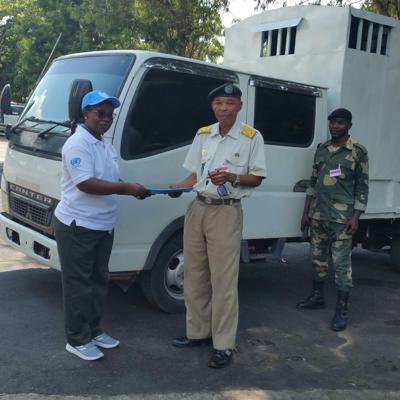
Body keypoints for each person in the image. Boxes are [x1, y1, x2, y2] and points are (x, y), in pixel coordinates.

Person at [169, 83, 266, 368]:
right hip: (198, 207)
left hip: (226, 211)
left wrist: (233, 177)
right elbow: (194, 175)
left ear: (239, 106)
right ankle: (197, 332)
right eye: (219, 103)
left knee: (223, 281)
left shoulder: (251, 137)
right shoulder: (203, 134)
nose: (223, 108)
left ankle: (223, 344)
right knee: (194, 274)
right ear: (213, 107)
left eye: (229, 103)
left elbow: (257, 177)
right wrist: (176, 187)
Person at [53, 90, 149, 361]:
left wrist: (132, 188)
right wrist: (126, 188)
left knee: (98, 281)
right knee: (78, 285)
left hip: (102, 224)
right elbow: (85, 183)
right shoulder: (77, 144)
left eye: (110, 114)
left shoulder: (104, 144)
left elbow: (108, 179)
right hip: (78, 225)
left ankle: (93, 330)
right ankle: (77, 339)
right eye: (100, 113)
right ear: (86, 114)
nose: (106, 118)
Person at [296, 108, 369, 331]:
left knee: (341, 265)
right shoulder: (322, 149)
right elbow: (313, 181)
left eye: (340, 123)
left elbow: (362, 186)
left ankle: (342, 311)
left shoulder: (357, 152)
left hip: (342, 219)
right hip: (318, 215)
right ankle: (317, 297)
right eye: (332, 122)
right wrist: (306, 212)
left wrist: (356, 217)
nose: (335, 126)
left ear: (349, 125)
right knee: (317, 259)